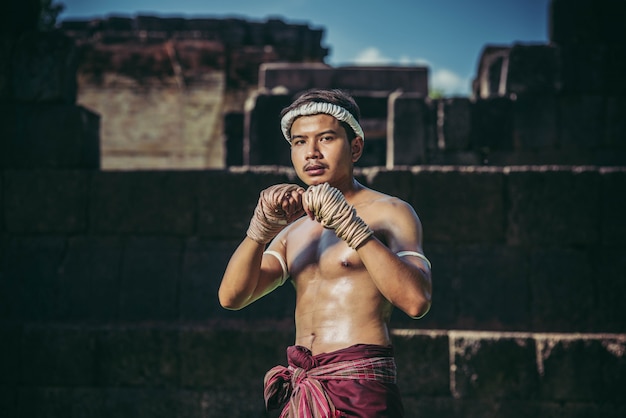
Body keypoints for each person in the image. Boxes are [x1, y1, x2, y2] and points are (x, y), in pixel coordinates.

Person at [218, 89, 432, 417]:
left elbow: (416, 300)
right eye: (300, 142)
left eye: (326, 138)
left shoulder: (390, 212)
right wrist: (258, 231)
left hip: (360, 385)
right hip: (303, 388)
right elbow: (232, 297)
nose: (312, 153)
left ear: (355, 146)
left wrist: (353, 227)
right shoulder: (292, 230)